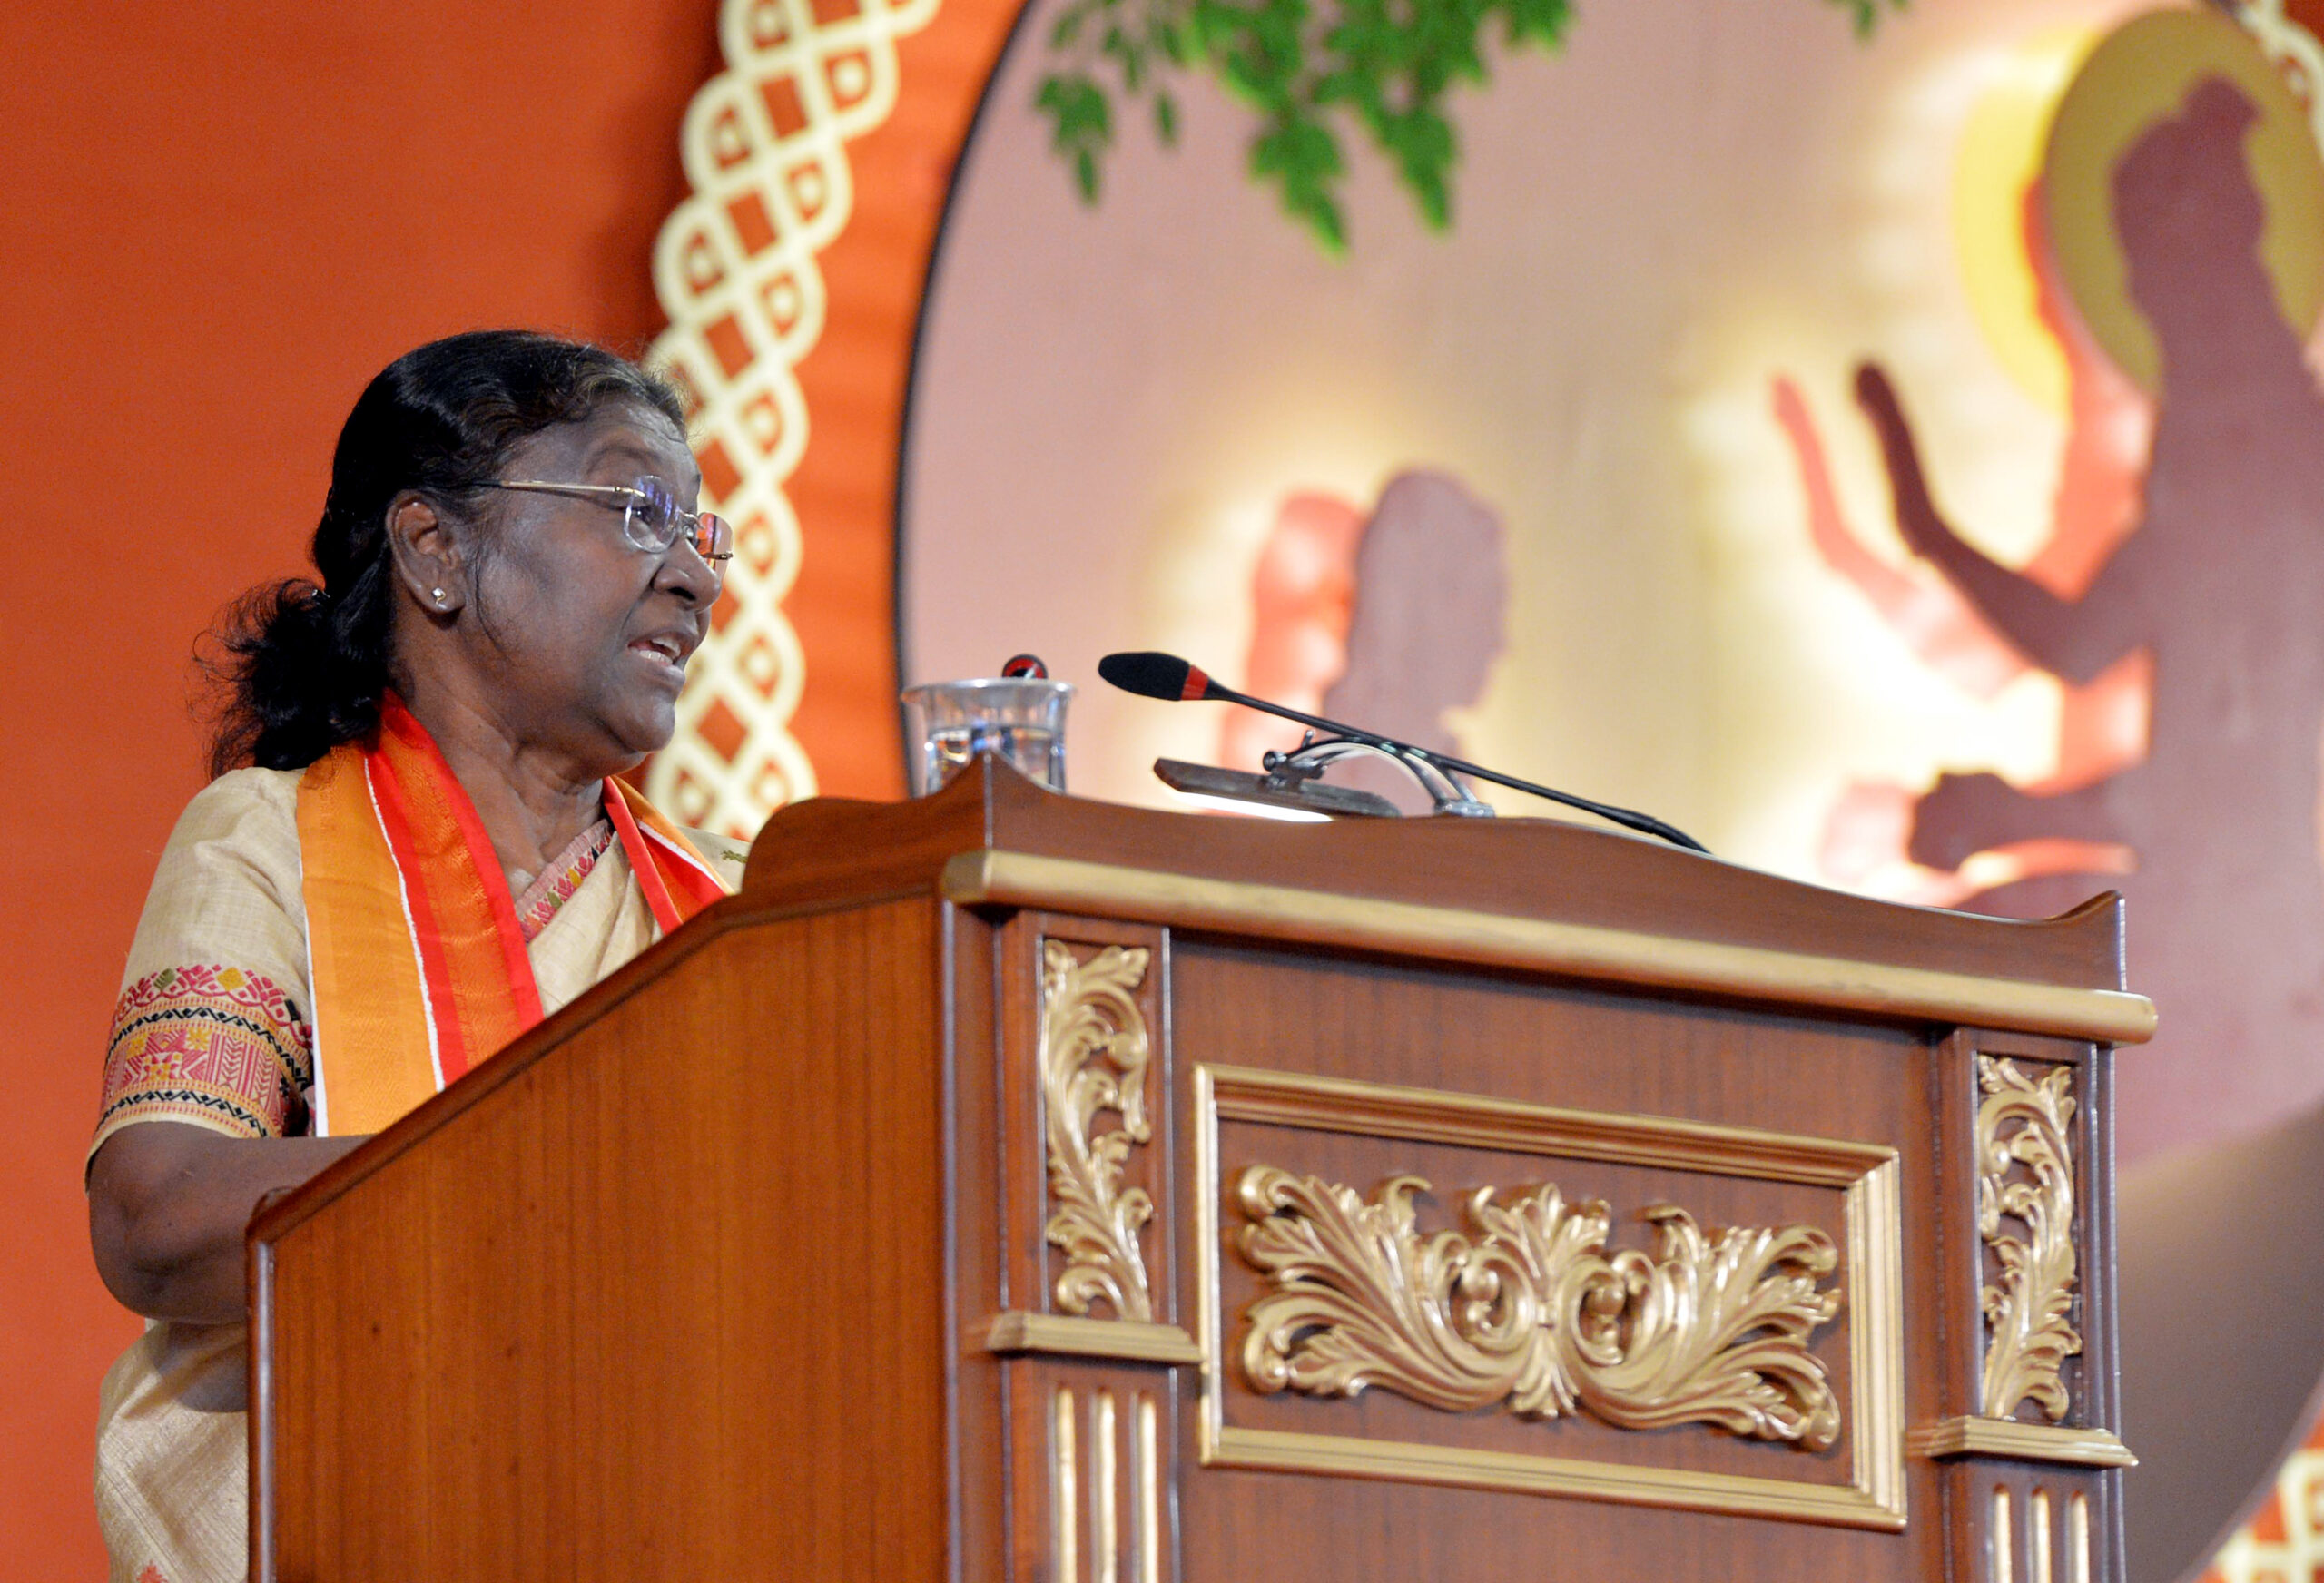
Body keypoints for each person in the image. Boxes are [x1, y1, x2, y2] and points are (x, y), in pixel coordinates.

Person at [84, 329, 751, 1583]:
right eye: (636, 507)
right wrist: (560, 1169)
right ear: (436, 549)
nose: (694, 578)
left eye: (700, 530)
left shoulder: (746, 912)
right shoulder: (271, 838)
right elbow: (156, 1214)